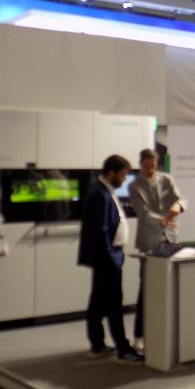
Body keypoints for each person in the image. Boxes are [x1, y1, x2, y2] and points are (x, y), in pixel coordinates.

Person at [77, 154, 143, 364]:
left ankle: (97, 345)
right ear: (111, 172)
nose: (124, 179)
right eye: (122, 175)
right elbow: (101, 232)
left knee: (98, 301)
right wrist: (112, 260)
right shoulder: (99, 194)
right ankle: (123, 350)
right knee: (114, 305)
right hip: (107, 259)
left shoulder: (104, 191)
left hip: (107, 257)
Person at [128, 148, 185, 352]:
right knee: (146, 289)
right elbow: (143, 213)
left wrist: (178, 207)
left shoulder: (166, 179)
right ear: (140, 164)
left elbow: (180, 199)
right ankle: (139, 335)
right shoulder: (134, 185)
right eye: (147, 166)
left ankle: (166, 332)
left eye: (153, 166)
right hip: (149, 242)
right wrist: (164, 220)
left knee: (170, 286)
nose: (151, 170)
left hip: (170, 239)